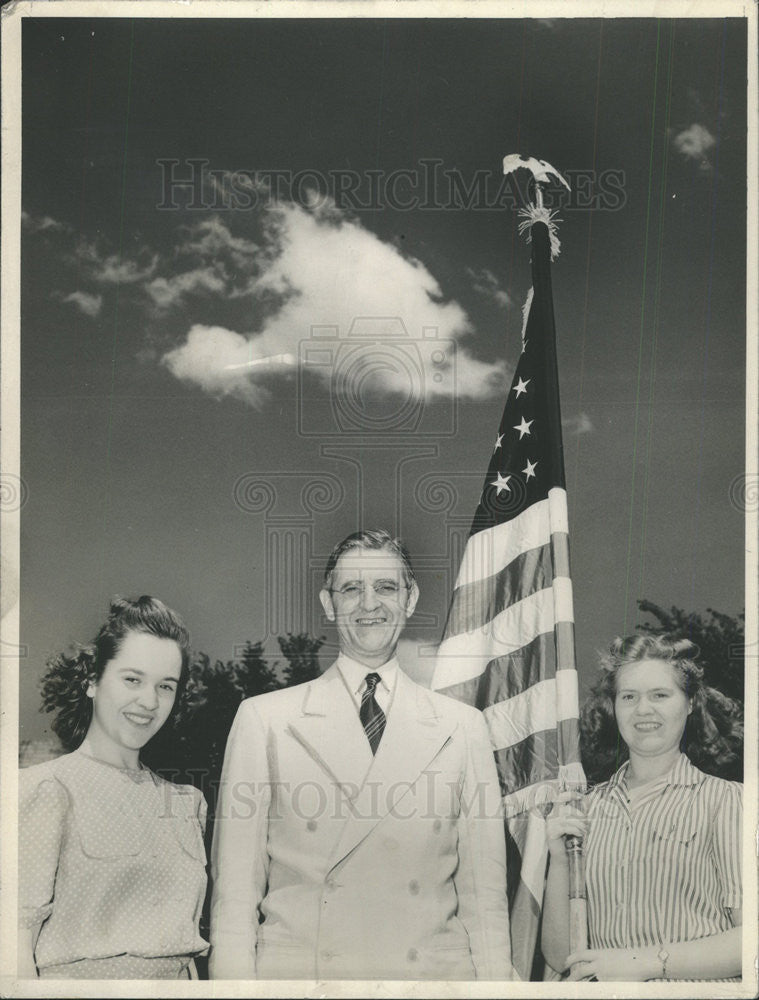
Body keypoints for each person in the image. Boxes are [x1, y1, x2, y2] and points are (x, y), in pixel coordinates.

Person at [209, 529, 513, 980]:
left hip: (430, 984)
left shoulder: (463, 727)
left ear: (410, 599)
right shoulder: (265, 720)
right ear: (328, 604)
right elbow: (234, 897)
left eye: (385, 587)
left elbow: (484, 900)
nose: (369, 604)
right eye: (351, 588)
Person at [19, 596, 209, 980]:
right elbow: (14, 940)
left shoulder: (187, 804)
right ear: (92, 680)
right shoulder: (47, 789)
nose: (149, 702)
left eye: (166, 686)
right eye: (132, 679)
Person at [542, 634, 743, 982]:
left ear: (691, 702)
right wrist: (560, 860)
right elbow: (562, 957)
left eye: (660, 695)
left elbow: (752, 940)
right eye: (629, 697)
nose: (643, 710)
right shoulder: (584, 810)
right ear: (614, 706)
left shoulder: (728, 801)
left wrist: (646, 961)